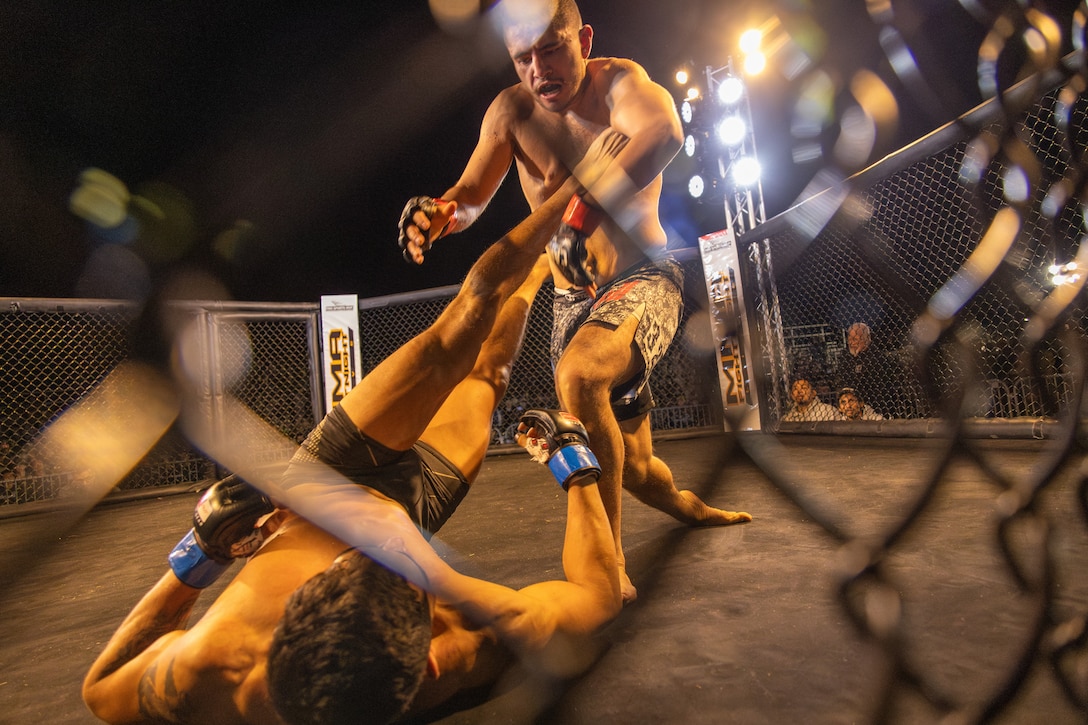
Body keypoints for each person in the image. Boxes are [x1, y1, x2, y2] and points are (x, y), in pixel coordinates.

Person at [82, 136, 626, 725]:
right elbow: (598, 598)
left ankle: (561, 207)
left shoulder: (211, 669)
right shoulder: (465, 641)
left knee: (455, 336)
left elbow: (101, 687)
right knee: (485, 377)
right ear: (428, 664)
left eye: (339, 567)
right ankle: (534, 274)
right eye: (398, 565)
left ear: (292, 621)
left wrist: (197, 560)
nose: (356, 541)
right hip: (418, 500)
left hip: (327, 475)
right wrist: (575, 466)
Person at [397, 0, 750, 603]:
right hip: (572, 302)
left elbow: (666, 134)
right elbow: (473, 194)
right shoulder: (509, 112)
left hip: (643, 279)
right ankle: (691, 507)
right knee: (635, 469)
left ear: (583, 37)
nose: (540, 69)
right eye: (523, 58)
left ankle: (607, 570)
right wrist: (440, 213)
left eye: (552, 48)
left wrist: (579, 213)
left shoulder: (621, 85)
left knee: (579, 375)